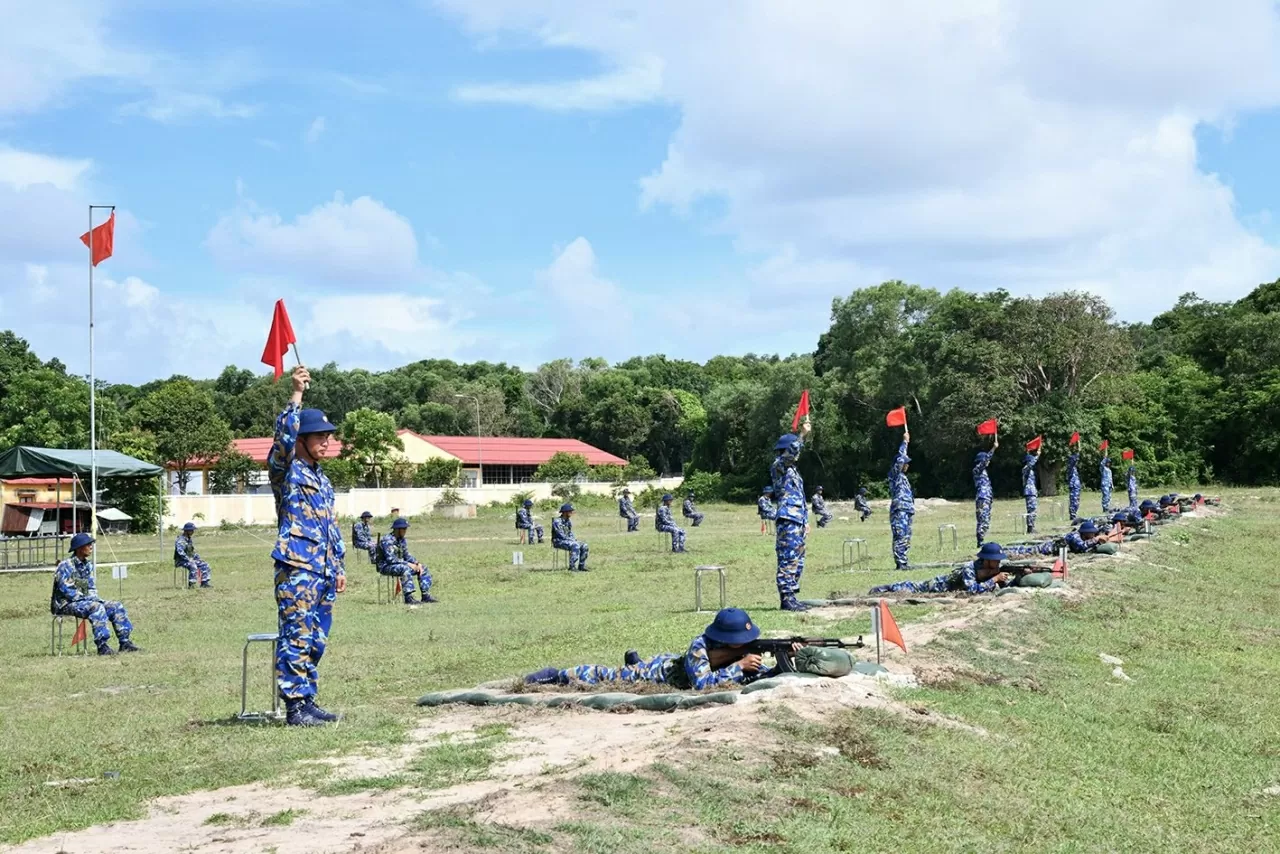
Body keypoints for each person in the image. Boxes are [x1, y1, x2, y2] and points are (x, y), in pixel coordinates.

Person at [268, 365, 347, 727]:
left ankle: (308, 699)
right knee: (296, 636)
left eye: (328, 436)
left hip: (323, 570)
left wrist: (339, 566)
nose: (325, 442)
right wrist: (297, 394)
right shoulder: (286, 469)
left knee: (316, 639)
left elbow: (330, 526)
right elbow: (282, 437)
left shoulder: (322, 480)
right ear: (300, 439)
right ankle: (295, 708)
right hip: (297, 567)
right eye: (318, 437)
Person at [525, 607, 783, 690]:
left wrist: (783, 662)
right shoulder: (700, 646)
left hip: (672, 662)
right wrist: (738, 666)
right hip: (658, 672)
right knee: (610, 675)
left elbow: (758, 672)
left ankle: (634, 661)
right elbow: (702, 685)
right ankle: (557, 674)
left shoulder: (743, 646)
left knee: (635, 665)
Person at [50, 533, 141, 656]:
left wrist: (94, 598)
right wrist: (89, 600)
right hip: (65, 604)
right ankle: (102, 646)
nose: (91, 546)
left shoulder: (87, 566)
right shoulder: (65, 566)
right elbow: (66, 590)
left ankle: (125, 643)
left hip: (85, 601)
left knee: (115, 606)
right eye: (88, 544)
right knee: (96, 607)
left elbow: (91, 587)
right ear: (79, 548)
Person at [870, 542, 1012, 596]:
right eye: (995, 560)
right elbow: (972, 590)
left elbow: (1004, 586)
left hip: (946, 588)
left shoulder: (992, 570)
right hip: (937, 586)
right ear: (986, 559)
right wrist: (994, 579)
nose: (998, 563)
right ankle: (883, 588)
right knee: (910, 587)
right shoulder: (969, 568)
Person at [772, 426, 812, 611]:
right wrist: (802, 435)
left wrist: (806, 521)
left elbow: (800, 497)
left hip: (797, 520)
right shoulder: (779, 465)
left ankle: (793, 595)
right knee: (788, 559)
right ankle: (786, 598)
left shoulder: (794, 472)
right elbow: (790, 454)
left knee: (798, 559)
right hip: (788, 519)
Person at [377, 517, 437, 604]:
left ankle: (425, 595)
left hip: (399, 565)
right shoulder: (387, 540)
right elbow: (391, 559)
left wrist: (417, 563)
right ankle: (408, 598)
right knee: (405, 568)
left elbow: (406, 555)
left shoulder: (401, 540)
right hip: (385, 566)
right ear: (397, 529)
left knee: (423, 568)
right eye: (404, 529)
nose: (405, 531)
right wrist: (408, 564)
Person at [888, 429, 914, 570]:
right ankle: (900, 563)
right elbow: (899, 459)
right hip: (899, 510)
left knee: (906, 537)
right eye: (906, 463)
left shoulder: (904, 478)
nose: (907, 465)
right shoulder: (895, 475)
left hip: (907, 509)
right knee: (900, 534)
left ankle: (904, 560)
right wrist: (905, 442)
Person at [973, 435, 997, 547]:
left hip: (986, 497)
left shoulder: (983, 472)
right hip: (982, 498)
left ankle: (981, 539)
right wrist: (993, 448)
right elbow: (985, 461)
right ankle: (980, 541)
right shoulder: (977, 469)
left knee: (985, 520)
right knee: (983, 520)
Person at [552, 503, 590, 571]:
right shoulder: (557, 521)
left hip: (567, 541)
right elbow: (561, 535)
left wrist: (573, 539)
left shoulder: (568, 521)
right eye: (570, 511)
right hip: (558, 541)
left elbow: (569, 532)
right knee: (575, 545)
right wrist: (572, 541)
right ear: (564, 512)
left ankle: (581, 566)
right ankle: (572, 566)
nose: (571, 513)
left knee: (584, 545)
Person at [174, 522, 212, 588]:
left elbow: (192, 552)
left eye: (193, 530)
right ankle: (191, 584)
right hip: (181, 561)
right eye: (191, 530)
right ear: (186, 531)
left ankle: (204, 583)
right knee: (193, 565)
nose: (192, 532)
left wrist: (197, 558)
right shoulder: (180, 540)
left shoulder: (189, 540)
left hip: (190, 560)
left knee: (205, 564)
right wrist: (189, 559)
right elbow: (180, 552)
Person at [1022, 447, 1041, 534]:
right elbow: (1031, 464)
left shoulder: (1029, 470)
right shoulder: (1026, 468)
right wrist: (1037, 455)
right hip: (1029, 492)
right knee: (1031, 510)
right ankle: (1030, 528)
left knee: (1033, 510)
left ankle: (1032, 526)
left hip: (1032, 492)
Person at [1066, 447, 1082, 520]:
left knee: (1077, 501)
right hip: (1073, 486)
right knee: (1073, 501)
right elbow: (1074, 460)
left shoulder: (1074, 468)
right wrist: (1078, 452)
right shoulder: (1070, 467)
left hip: (1076, 486)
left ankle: (1074, 514)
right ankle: (1072, 515)